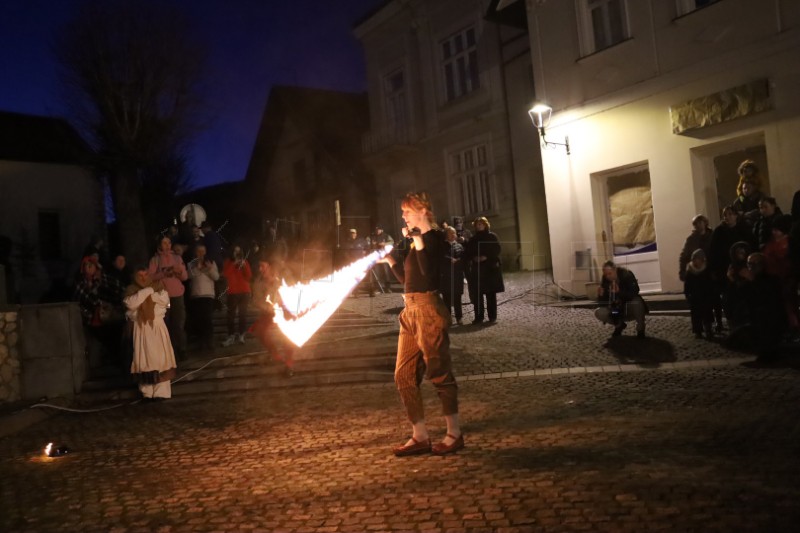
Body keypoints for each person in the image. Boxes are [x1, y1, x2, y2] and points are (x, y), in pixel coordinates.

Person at [380, 192, 463, 456]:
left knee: (439, 373)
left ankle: (454, 434)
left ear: (423, 211)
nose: (402, 216)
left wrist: (417, 239)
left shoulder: (436, 239)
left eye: (407, 211)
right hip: (410, 310)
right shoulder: (417, 243)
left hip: (428, 309)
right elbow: (408, 278)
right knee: (403, 375)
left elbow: (428, 274)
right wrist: (391, 260)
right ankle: (420, 436)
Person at [124, 267, 177, 400]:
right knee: (144, 360)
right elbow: (131, 305)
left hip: (157, 328)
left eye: (145, 273)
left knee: (161, 360)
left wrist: (144, 301)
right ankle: (147, 392)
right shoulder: (130, 290)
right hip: (141, 330)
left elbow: (164, 302)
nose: (143, 277)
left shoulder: (158, 286)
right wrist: (148, 291)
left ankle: (162, 392)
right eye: (139, 274)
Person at [250, 251, 295, 376]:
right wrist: (268, 308)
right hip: (268, 312)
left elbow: (292, 292)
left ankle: (289, 365)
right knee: (259, 331)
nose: (260, 269)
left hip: (284, 311)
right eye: (259, 266)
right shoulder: (258, 283)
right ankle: (274, 354)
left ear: (269, 267)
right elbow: (256, 300)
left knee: (288, 337)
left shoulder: (281, 279)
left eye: (262, 266)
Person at [148, 235, 188, 360]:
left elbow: (185, 277)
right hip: (163, 297)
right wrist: (163, 274)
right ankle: (169, 351)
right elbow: (150, 277)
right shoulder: (155, 260)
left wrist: (179, 270)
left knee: (178, 323)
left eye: (169, 242)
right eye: (164, 243)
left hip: (177, 295)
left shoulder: (177, 258)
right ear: (159, 245)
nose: (167, 245)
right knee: (166, 324)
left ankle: (181, 349)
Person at [463, 217, 504, 324]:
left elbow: (497, 249)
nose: (479, 226)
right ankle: (479, 317)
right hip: (478, 270)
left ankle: (492, 316)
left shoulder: (492, 236)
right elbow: (468, 252)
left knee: (490, 294)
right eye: (477, 224)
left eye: (481, 224)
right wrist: (473, 258)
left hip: (490, 268)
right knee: (478, 295)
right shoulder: (473, 239)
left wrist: (486, 257)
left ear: (485, 225)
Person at [594, 260, 648, 338]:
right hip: (616, 310)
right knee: (599, 312)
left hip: (630, 307)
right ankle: (619, 325)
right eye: (606, 275)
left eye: (610, 273)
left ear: (615, 270)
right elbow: (603, 304)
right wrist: (600, 296)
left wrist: (619, 292)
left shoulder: (627, 274)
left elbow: (635, 292)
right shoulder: (605, 280)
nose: (608, 276)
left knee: (637, 301)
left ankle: (640, 328)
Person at [188, 243, 220, 352]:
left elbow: (216, 277)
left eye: (203, 251)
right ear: (195, 252)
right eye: (199, 251)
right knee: (199, 320)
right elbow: (189, 276)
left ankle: (210, 343)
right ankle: (201, 343)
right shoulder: (191, 264)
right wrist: (198, 267)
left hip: (208, 295)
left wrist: (209, 269)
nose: (201, 253)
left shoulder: (210, 262)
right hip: (196, 295)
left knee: (208, 319)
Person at [222, 244, 252, 346]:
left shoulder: (245, 262)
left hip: (245, 291)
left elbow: (249, 276)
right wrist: (233, 263)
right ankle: (231, 336)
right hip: (233, 292)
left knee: (242, 314)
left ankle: (241, 335)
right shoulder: (228, 262)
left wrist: (244, 266)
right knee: (231, 315)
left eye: (238, 251)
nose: (237, 253)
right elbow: (226, 274)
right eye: (235, 251)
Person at [683, 249, 716, 340]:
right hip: (695, 296)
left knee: (707, 313)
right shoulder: (690, 271)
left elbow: (710, 283)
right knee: (696, 315)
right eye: (694, 259)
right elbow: (687, 285)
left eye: (697, 259)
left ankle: (708, 329)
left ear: (701, 259)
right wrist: (687, 295)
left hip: (705, 295)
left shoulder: (706, 269)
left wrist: (711, 293)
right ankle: (698, 331)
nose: (695, 261)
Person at [440, 226, 465, 325]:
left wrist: (459, 261)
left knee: (457, 298)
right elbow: (440, 257)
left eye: (454, 233)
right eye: (451, 233)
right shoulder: (442, 246)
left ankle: (459, 318)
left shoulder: (459, 246)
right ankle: (448, 318)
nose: (453, 235)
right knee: (447, 299)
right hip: (446, 276)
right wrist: (449, 260)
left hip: (457, 276)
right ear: (446, 235)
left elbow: (463, 257)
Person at [678, 215, 712, 282]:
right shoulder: (691, 239)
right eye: (695, 224)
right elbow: (683, 256)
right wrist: (682, 271)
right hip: (696, 269)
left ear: (705, 223)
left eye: (699, 223)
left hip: (710, 269)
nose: (697, 225)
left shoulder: (712, 236)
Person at [731, 159, 764, 227]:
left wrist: (748, 214)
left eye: (749, 170)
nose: (747, 173)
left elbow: (762, 210)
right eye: (745, 171)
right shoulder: (740, 198)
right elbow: (736, 212)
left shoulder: (760, 196)